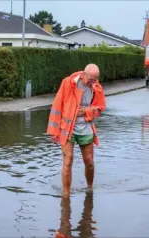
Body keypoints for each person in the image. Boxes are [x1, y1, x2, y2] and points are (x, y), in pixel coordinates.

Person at [47, 64, 106, 197]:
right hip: (68, 128)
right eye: (90, 79)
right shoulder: (68, 83)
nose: (92, 83)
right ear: (84, 74)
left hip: (86, 128)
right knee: (68, 160)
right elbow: (57, 106)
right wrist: (53, 131)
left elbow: (100, 108)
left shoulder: (97, 87)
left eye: (95, 80)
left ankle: (89, 189)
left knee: (89, 161)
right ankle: (66, 194)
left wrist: (87, 111)